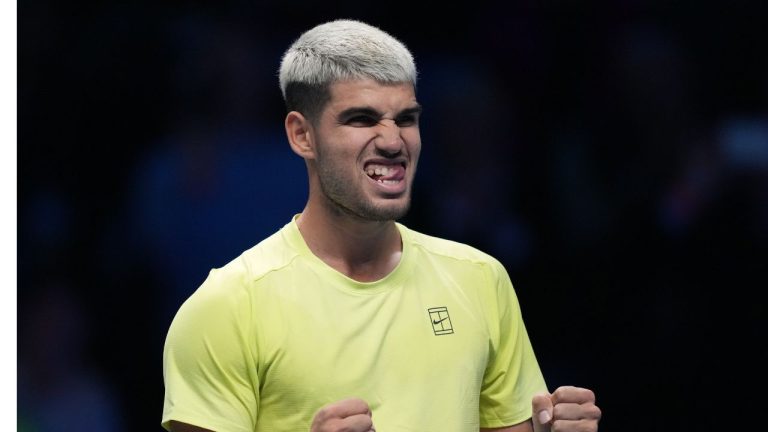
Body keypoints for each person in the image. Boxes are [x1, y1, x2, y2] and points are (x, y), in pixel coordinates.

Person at [161, 19, 601, 432]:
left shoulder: (480, 278)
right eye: (362, 119)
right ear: (302, 135)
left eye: (406, 119)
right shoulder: (226, 308)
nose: (393, 142)